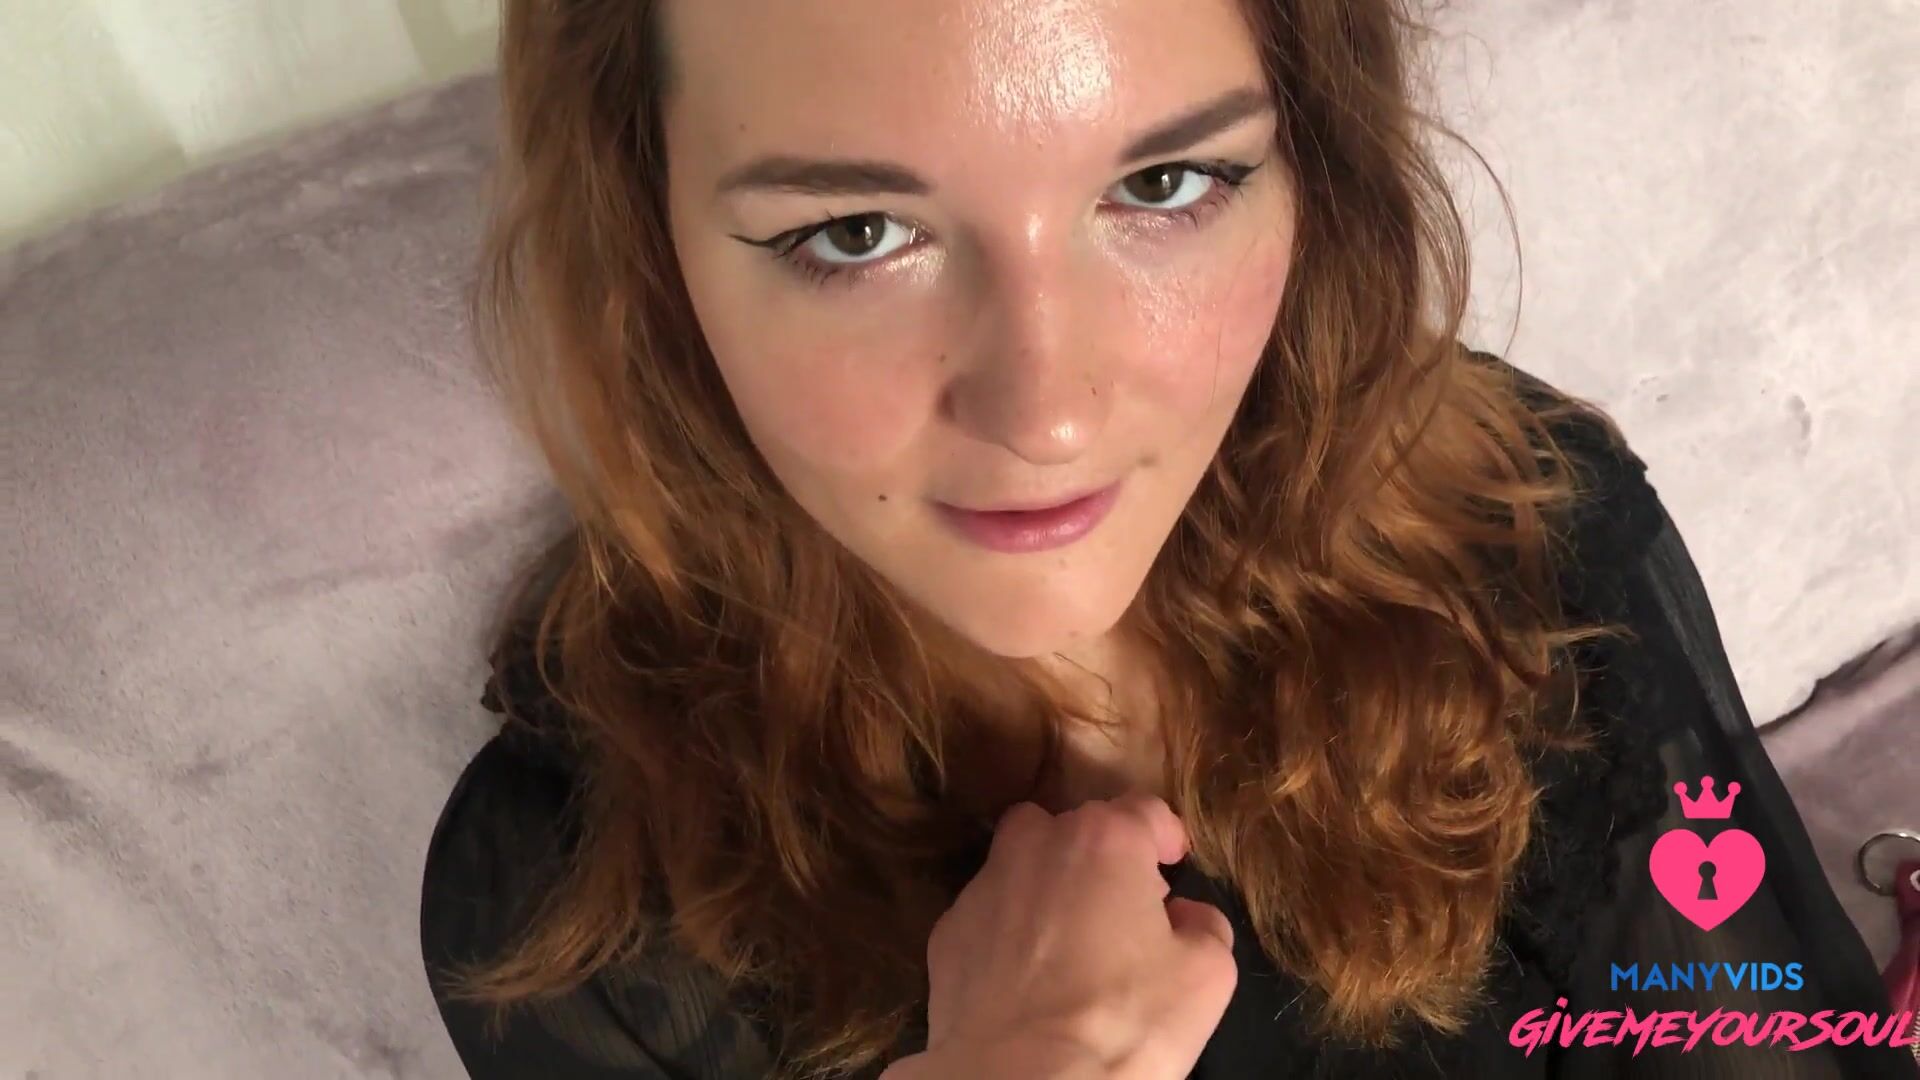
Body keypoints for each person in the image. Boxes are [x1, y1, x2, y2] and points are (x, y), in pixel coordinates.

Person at [418, 0, 1916, 1076]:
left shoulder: (1508, 510)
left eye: (1162, 185)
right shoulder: (579, 911)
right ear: (653, 256)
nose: (1047, 414)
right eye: (856, 234)